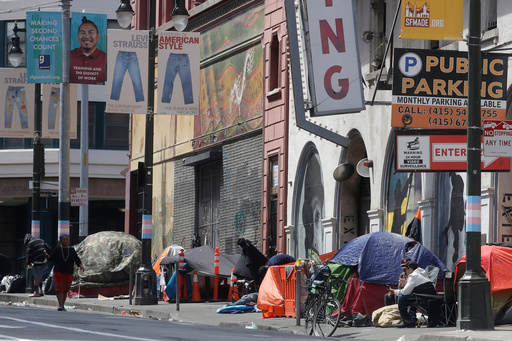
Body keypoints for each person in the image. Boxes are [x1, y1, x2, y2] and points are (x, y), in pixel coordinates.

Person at [387, 259, 436, 328]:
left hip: (423, 298)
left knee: (402, 298)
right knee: (412, 296)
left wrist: (394, 292)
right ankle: (412, 319)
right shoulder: (422, 272)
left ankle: (407, 320)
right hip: (430, 297)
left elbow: (405, 292)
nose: (404, 272)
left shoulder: (413, 276)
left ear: (410, 269)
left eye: (405, 270)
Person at [44, 234, 84, 311]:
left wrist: (81, 265)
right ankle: (60, 305)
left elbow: (76, 259)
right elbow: (50, 258)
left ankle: (62, 304)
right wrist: (46, 255)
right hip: (58, 272)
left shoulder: (72, 250)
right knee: (59, 288)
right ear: (61, 241)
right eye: (64, 239)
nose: (66, 241)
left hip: (69, 272)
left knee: (66, 289)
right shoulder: (57, 250)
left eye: (67, 239)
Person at [69, 16, 106, 84]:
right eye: (82, 33)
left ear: (98, 37)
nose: (86, 36)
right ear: (78, 36)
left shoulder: (105, 58)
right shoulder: (69, 56)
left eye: (91, 32)